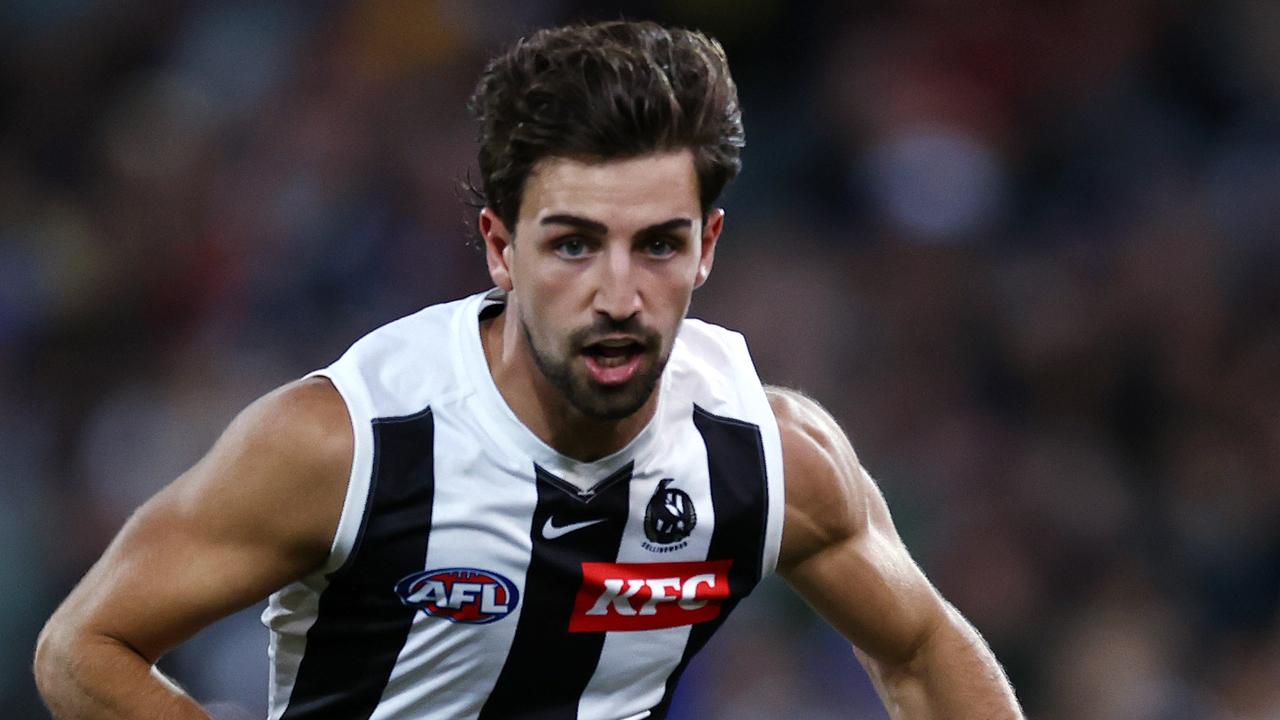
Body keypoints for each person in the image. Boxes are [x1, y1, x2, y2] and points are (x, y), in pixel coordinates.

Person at [34, 19, 1023, 720]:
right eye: (573, 245)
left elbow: (924, 650)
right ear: (500, 250)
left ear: (708, 246)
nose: (619, 293)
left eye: (658, 246)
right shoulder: (349, 443)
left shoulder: (770, 459)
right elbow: (83, 648)